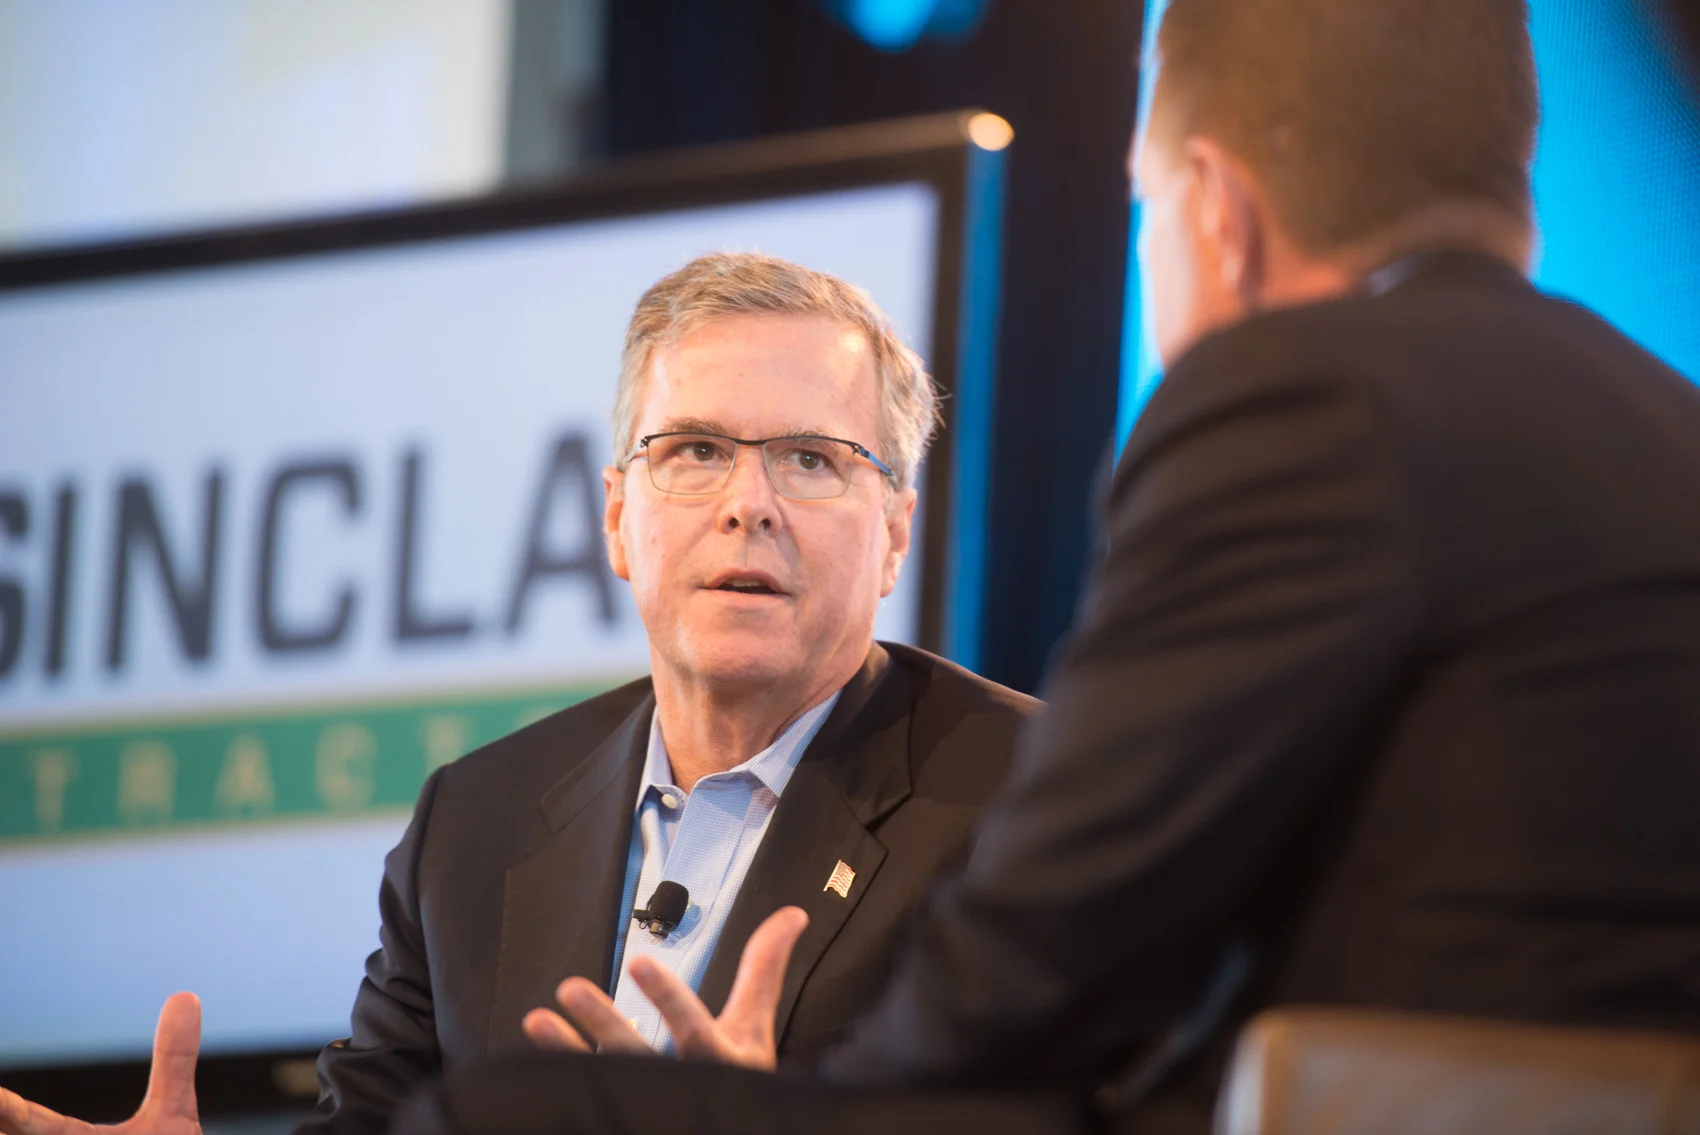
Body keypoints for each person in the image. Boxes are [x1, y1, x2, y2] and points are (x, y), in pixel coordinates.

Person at [390, 0, 1700, 1131]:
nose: (751, 507)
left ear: (1218, 210)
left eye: (1142, 207)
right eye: (694, 454)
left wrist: (773, 1109)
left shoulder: (1302, 397)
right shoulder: (1663, 417)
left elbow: (1036, 968)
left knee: (516, 1115)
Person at [0, 253, 1039, 1135]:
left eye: (810, 458)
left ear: (895, 529)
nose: (746, 505)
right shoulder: (474, 825)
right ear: (616, 514)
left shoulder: (1028, 799)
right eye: (695, 451)